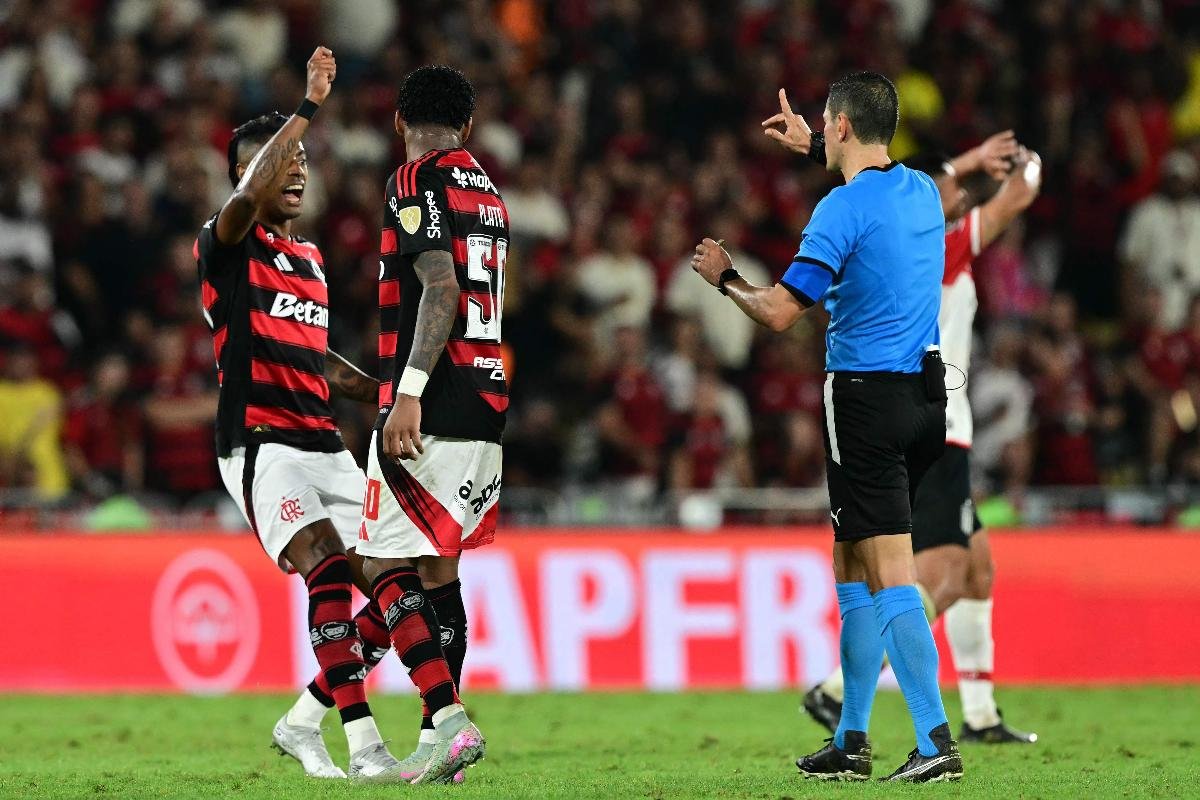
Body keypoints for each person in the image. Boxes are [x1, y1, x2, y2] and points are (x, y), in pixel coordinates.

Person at [693, 73, 961, 782]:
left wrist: (726, 278)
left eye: (824, 122)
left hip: (864, 402)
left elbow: (781, 313)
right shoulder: (924, 193)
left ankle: (936, 742)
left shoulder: (838, 210)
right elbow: (871, 173)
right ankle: (851, 739)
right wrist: (815, 143)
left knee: (888, 570)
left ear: (841, 123)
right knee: (851, 564)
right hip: (925, 401)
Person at [195, 47, 406, 782]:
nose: (298, 170)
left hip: (321, 441)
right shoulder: (224, 244)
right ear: (247, 178)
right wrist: (308, 105)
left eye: (303, 160)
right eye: (281, 160)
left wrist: (396, 394)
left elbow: (322, 363)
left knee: (391, 571)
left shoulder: (310, 260)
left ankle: (302, 720)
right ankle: (368, 749)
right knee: (322, 558)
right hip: (258, 444)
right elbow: (246, 200)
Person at [803, 135, 1043, 745]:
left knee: (979, 567)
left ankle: (982, 713)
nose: (954, 196)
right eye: (950, 191)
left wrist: (962, 166)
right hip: (940, 425)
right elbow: (1021, 195)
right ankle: (837, 689)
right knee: (944, 570)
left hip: (902, 408)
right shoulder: (945, 245)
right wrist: (1026, 161)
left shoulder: (896, 243)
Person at [357, 64, 506, 785]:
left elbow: (440, 285)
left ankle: (448, 718)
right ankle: (435, 743)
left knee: (383, 563)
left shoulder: (415, 178)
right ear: (469, 126)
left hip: (433, 402)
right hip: (485, 399)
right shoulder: (490, 190)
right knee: (439, 571)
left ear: (398, 122)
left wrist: (408, 391)